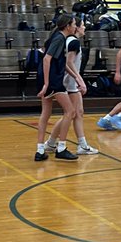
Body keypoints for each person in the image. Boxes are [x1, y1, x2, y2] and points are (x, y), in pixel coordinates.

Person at [36, 14, 79, 161]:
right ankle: (61, 148)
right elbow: (47, 59)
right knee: (70, 111)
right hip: (53, 81)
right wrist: (47, 83)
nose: (76, 26)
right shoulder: (60, 39)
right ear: (67, 26)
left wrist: (76, 77)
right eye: (74, 24)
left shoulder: (57, 37)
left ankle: (40, 150)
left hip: (47, 78)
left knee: (45, 114)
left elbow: (61, 63)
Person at [62, 18, 98, 154]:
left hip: (70, 82)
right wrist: (79, 80)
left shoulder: (69, 41)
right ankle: (80, 145)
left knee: (76, 113)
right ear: (76, 27)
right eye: (83, 25)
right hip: (70, 83)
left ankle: (52, 143)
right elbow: (69, 63)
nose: (85, 28)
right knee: (71, 113)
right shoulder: (74, 42)